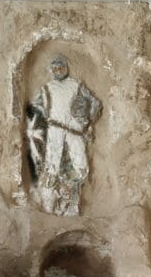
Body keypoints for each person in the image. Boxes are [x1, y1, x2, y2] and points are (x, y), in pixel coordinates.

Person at [27, 55, 101, 215]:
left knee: (79, 164)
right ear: (51, 71)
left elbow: (95, 103)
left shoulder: (76, 85)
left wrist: (88, 120)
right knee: (52, 165)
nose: (58, 70)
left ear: (66, 68)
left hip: (75, 132)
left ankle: (74, 204)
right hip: (55, 132)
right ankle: (51, 205)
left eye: (61, 67)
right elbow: (34, 107)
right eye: (55, 68)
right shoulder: (47, 88)